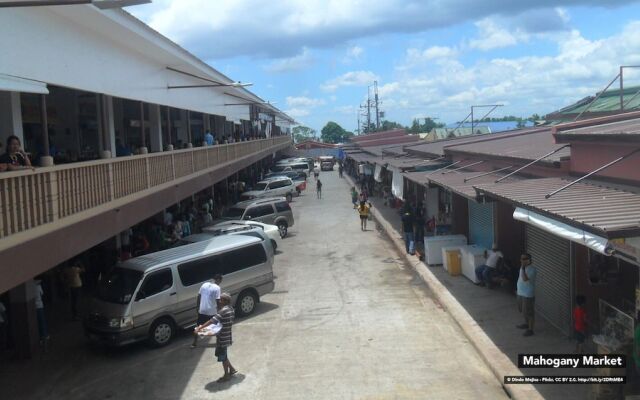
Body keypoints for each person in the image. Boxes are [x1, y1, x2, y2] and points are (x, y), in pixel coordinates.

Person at [195, 293, 237, 381]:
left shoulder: (223, 311)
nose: (219, 301)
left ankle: (226, 375)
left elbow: (212, 321)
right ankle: (232, 369)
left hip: (222, 338)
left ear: (226, 301)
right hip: (227, 335)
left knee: (223, 357)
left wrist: (200, 328)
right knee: (223, 355)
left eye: (221, 300)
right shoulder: (231, 309)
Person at [191, 274, 222, 349]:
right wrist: (220, 310)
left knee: (198, 327)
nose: (220, 283)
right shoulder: (217, 288)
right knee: (218, 327)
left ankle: (194, 343)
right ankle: (219, 343)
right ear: (218, 279)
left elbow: (199, 296)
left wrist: (197, 307)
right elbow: (218, 301)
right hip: (211, 311)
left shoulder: (204, 285)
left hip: (202, 310)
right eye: (220, 281)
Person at [516, 253, 536, 337]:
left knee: (529, 312)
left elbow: (524, 279)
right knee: (522, 310)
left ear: (528, 260)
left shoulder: (532, 269)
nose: (521, 260)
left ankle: (530, 329)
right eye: (521, 258)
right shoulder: (522, 267)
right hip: (520, 292)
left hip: (528, 294)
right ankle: (526, 323)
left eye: (524, 259)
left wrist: (523, 268)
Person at [34, 279, 50, 352]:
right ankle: (45, 337)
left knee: (38, 323)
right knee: (42, 321)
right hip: (40, 305)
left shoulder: (31, 287)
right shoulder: (38, 286)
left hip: (34, 307)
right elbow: (42, 294)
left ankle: (41, 338)